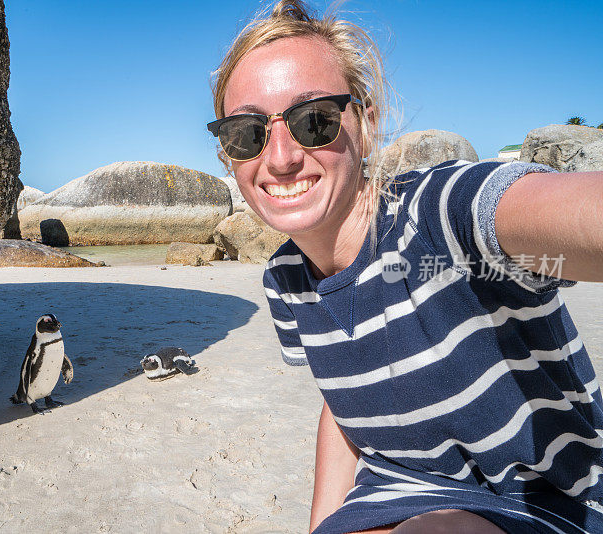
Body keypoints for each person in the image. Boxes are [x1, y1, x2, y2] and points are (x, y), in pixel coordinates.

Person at [207, 1, 603, 533]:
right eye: (247, 133)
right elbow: (342, 399)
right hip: (390, 495)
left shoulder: (439, 214)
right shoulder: (286, 280)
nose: (279, 157)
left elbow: (559, 214)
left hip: (547, 501)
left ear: (365, 123)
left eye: (314, 120)